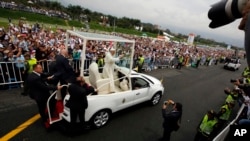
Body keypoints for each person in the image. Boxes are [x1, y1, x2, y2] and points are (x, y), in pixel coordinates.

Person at [26, 64, 63, 129]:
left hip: (35, 93)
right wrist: (56, 87)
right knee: (47, 104)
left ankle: (45, 117)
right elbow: (44, 87)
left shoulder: (32, 75)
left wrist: (46, 78)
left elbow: (40, 81)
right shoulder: (36, 78)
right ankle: (46, 118)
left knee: (43, 106)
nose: (42, 69)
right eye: (40, 68)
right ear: (35, 69)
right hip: (40, 95)